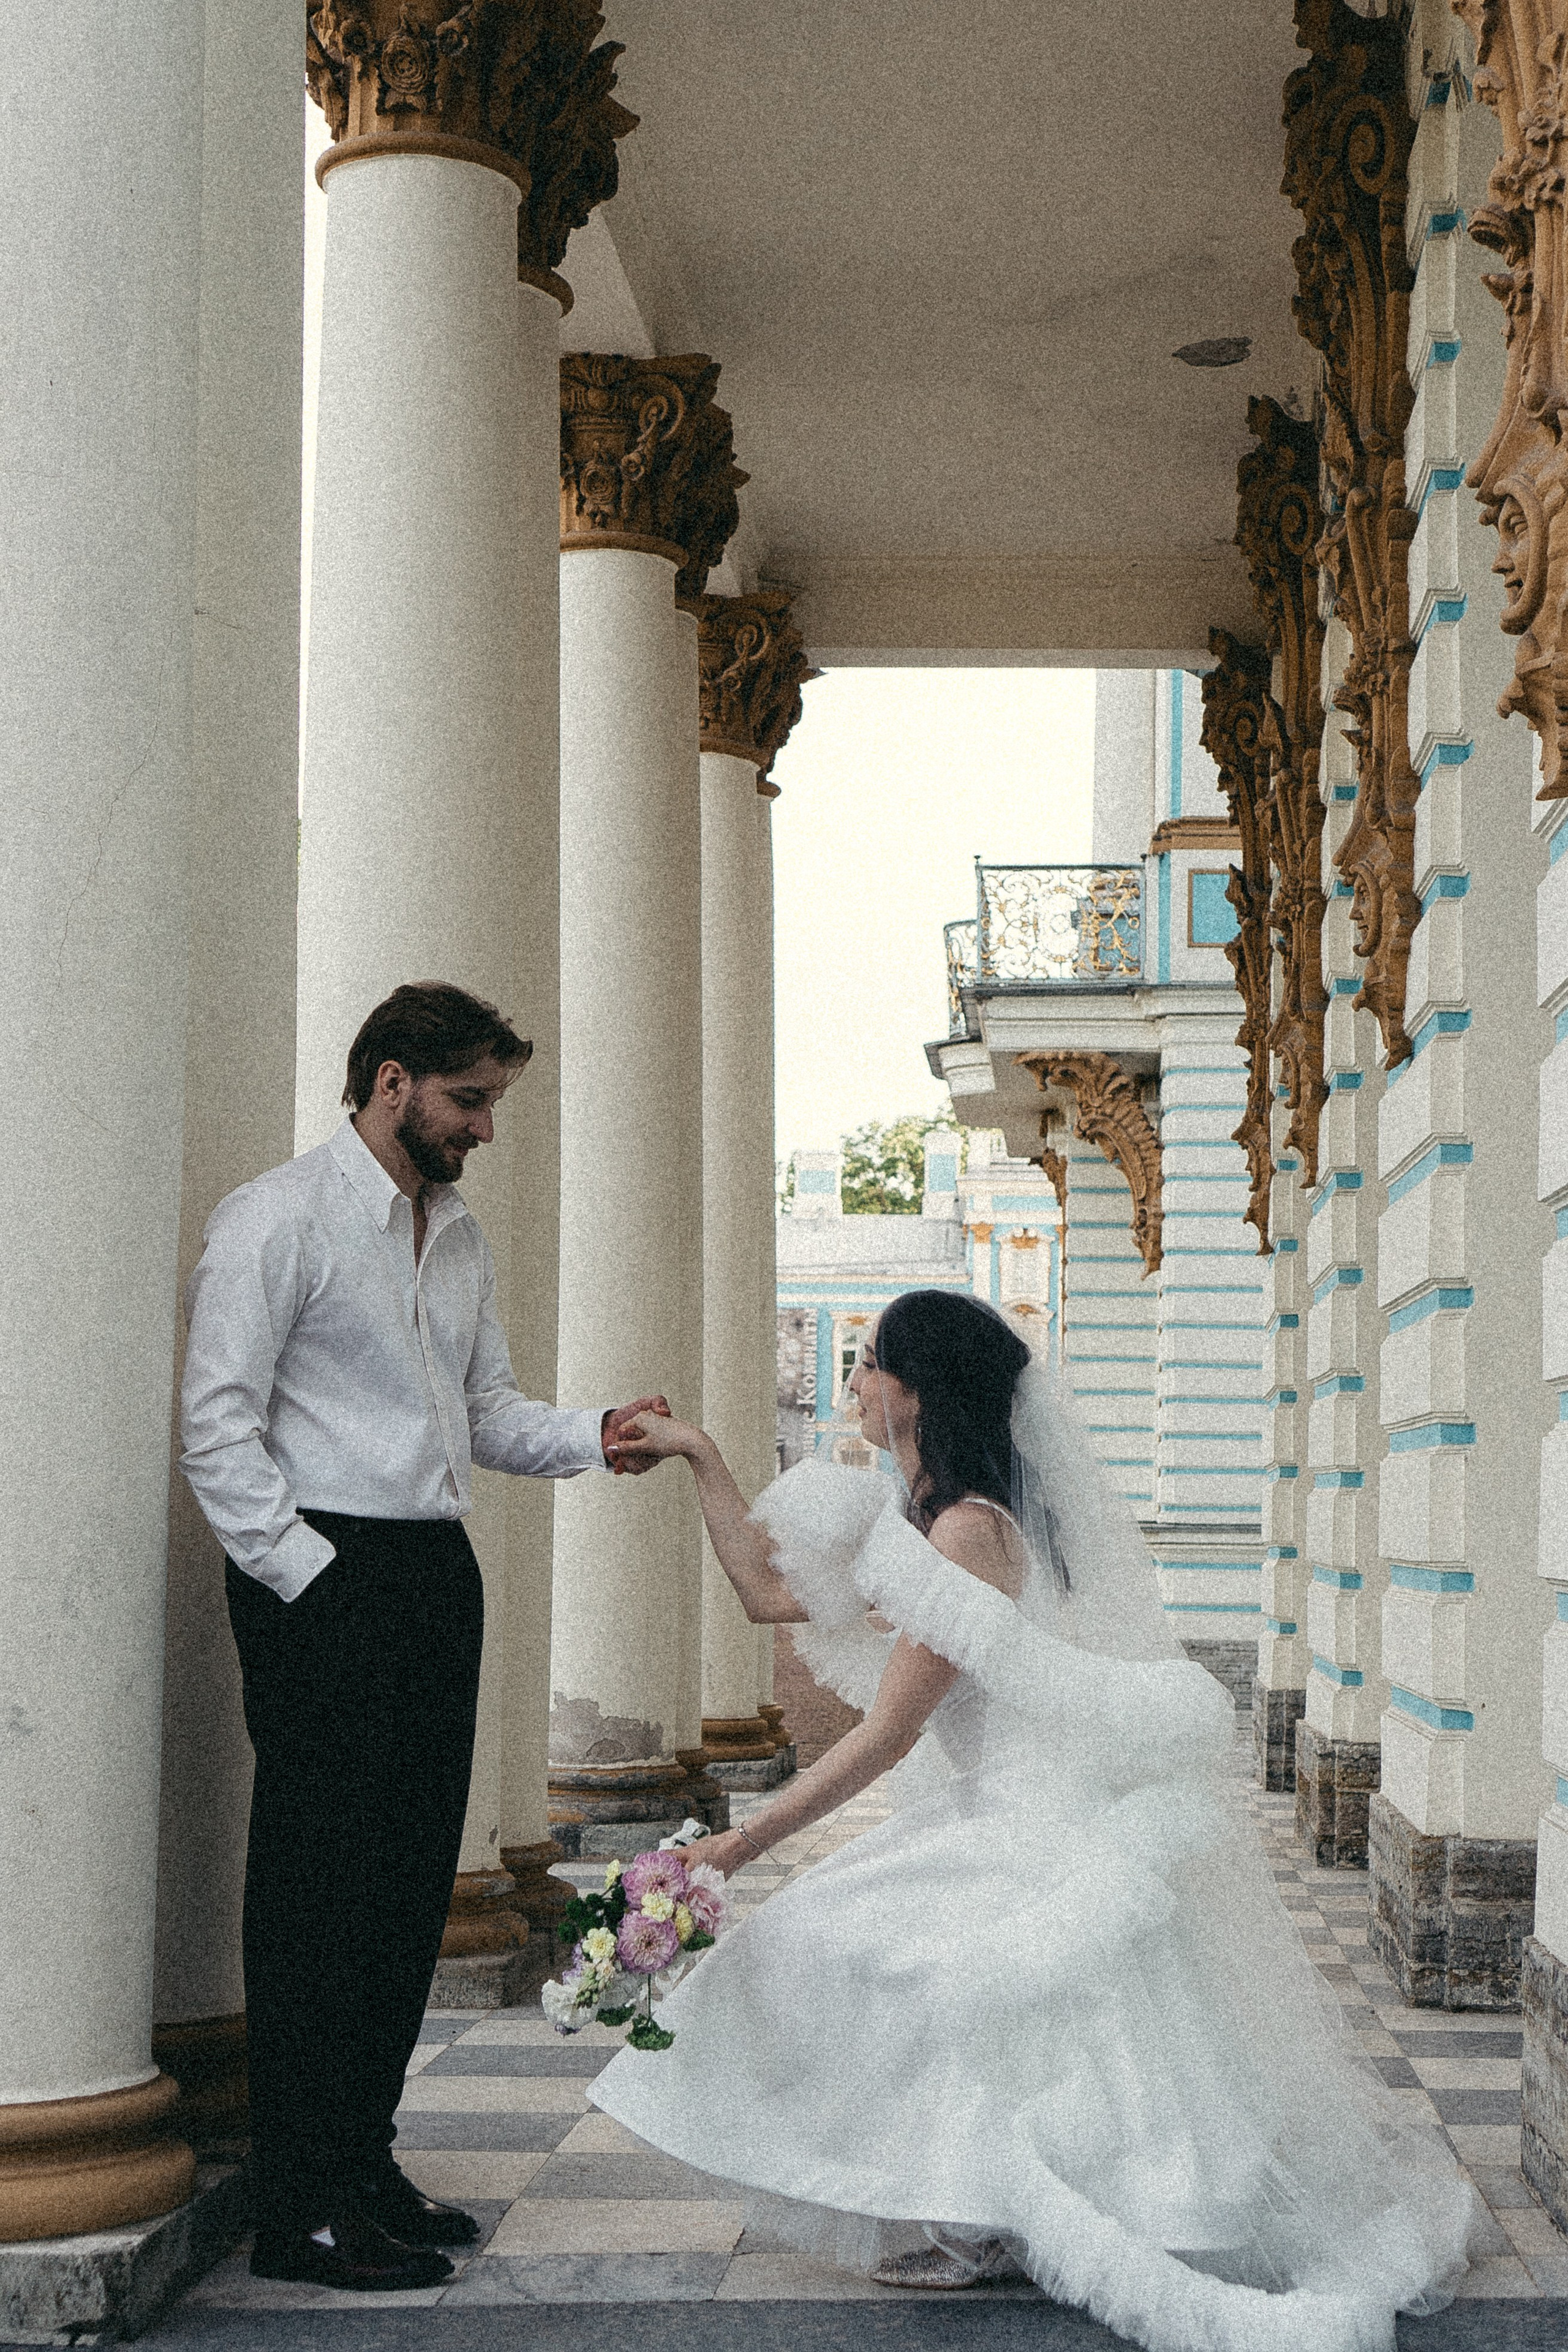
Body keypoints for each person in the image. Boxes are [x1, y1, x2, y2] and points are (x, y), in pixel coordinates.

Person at [595, 1288, 1480, 2352]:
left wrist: (734, 1847)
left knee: (860, 1952)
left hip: (1032, 1826)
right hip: (983, 1812)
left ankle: (983, 2219)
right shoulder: (926, 1521)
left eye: (871, 1363)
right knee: (857, 1955)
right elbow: (765, 1594)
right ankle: (981, 2210)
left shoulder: (968, 1534)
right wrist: (698, 1453)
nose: (856, 1383)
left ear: (919, 1393)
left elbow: (887, 1735)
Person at [179, 981, 668, 2293]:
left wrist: (596, 1434)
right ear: (390, 1082)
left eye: (492, 1103)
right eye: (469, 1100)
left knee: (404, 1889)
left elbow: (487, 1411)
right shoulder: (273, 1221)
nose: (484, 1130)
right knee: (315, 1897)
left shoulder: (454, 1236)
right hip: (321, 1575)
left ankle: (361, 2159)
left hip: (430, 1575)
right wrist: (307, 1579)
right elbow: (218, 1427)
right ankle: (299, 2205)